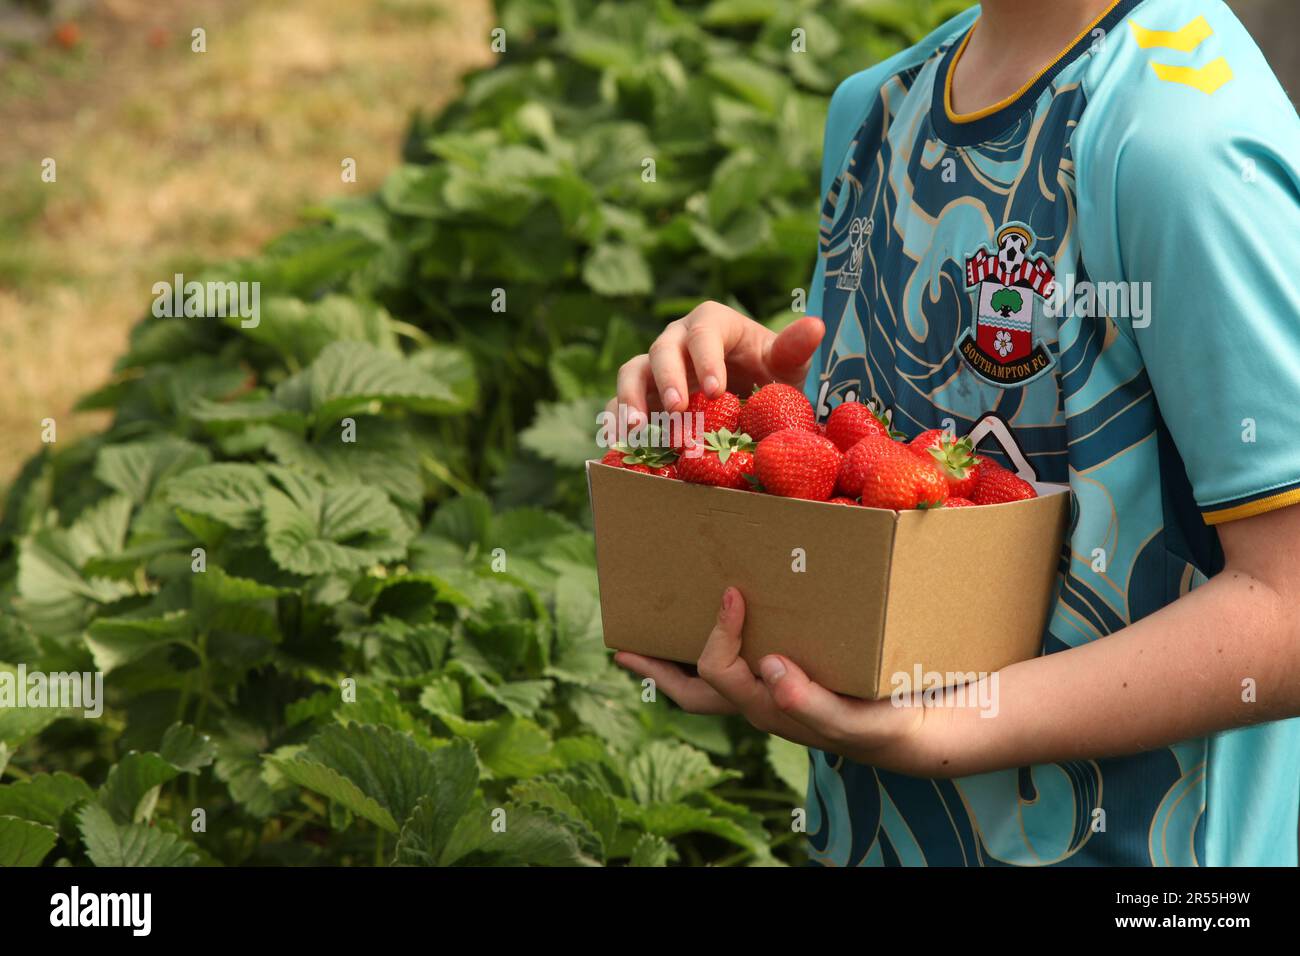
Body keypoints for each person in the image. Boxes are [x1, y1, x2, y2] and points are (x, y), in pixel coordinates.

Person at [609, 0, 1300, 866]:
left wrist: (938, 728)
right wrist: (761, 420)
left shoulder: (1181, 147)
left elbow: (1288, 606)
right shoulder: (877, 111)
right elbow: (907, 496)